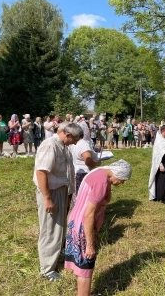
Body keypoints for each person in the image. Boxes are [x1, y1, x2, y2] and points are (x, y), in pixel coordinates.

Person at [65, 159, 132, 296]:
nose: (122, 183)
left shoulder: (97, 173)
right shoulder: (101, 182)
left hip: (75, 221)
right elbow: (89, 215)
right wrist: (90, 244)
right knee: (85, 266)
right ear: (117, 173)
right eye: (122, 179)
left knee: (80, 263)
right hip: (83, 226)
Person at [33, 122, 83, 281]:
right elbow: (41, 172)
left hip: (61, 191)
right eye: (74, 139)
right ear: (67, 134)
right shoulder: (50, 146)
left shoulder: (63, 146)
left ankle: (55, 254)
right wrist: (47, 198)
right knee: (50, 229)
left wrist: (68, 195)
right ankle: (47, 270)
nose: (75, 143)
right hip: (51, 192)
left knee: (59, 227)